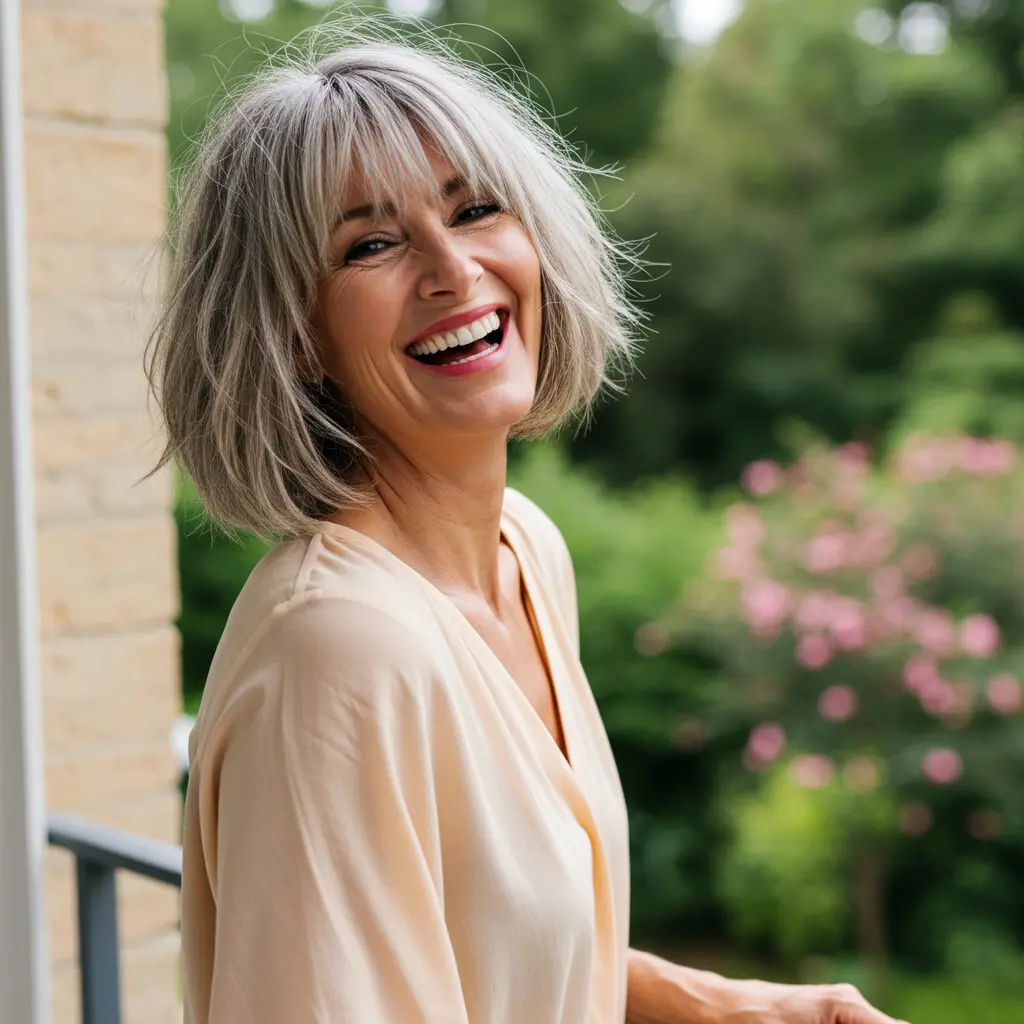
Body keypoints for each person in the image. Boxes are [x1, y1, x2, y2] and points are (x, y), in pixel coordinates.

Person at [148, 24, 909, 1024]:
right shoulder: (338, 652)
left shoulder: (524, 548)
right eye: (370, 244)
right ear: (292, 337)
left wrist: (728, 1004)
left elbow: (497, 951)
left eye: (475, 209)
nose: (452, 269)